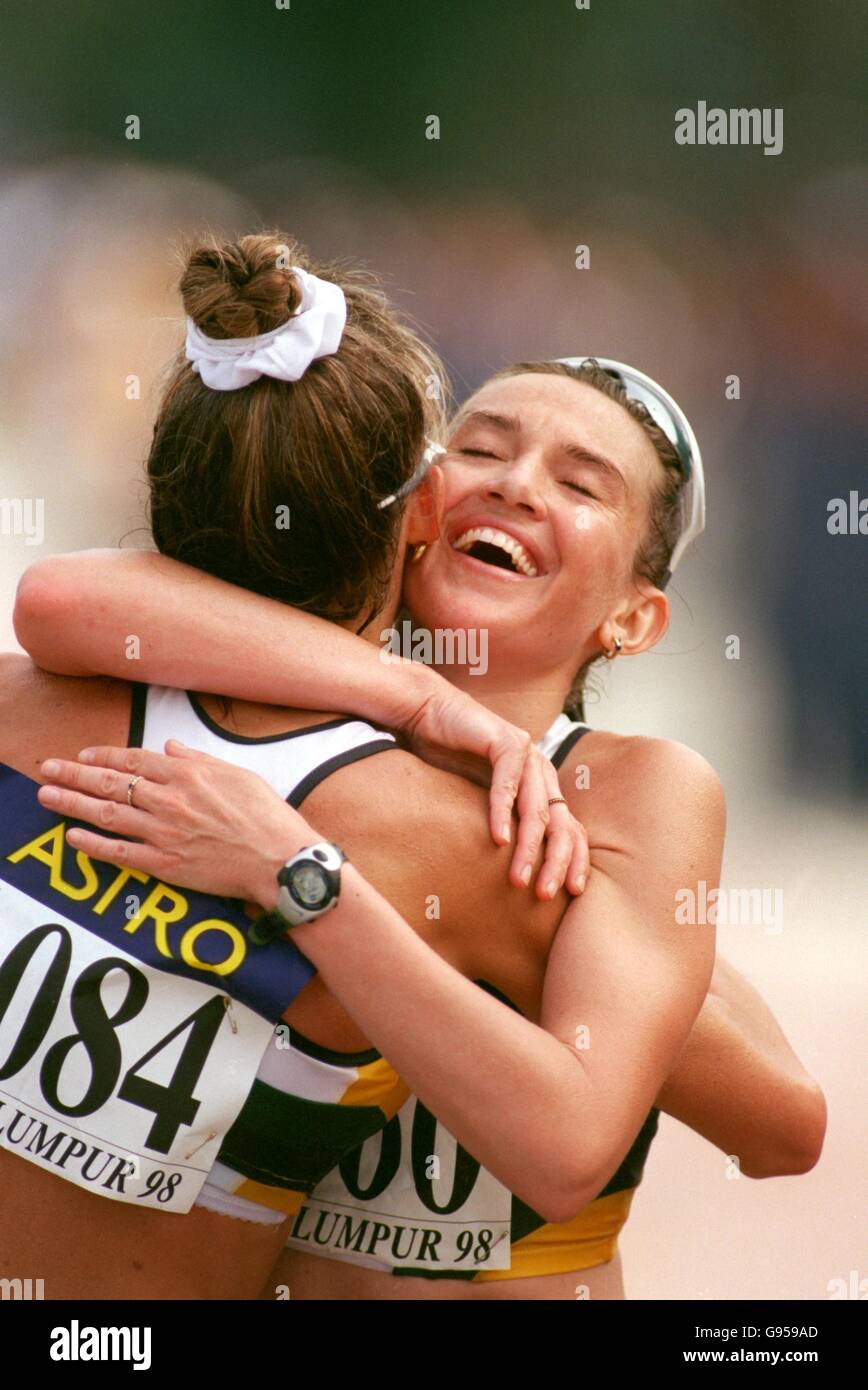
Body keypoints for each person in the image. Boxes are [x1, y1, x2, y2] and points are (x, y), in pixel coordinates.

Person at [17, 345, 826, 1298]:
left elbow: (786, 1127)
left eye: (579, 483)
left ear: (632, 622)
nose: (518, 485)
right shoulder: (295, 690)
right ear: (417, 508)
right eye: (481, 450)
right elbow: (60, 601)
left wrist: (519, 926)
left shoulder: (620, 797)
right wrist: (412, 698)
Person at [0, 230, 587, 1300]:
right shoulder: (461, 842)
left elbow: (57, 600)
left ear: (164, 482)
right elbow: (773, 1114)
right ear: (421, 513)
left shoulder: (15, 701)